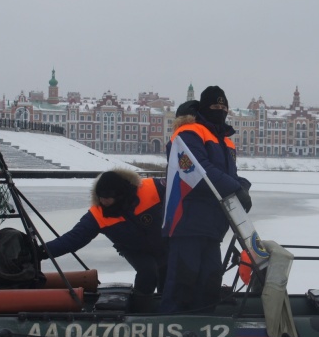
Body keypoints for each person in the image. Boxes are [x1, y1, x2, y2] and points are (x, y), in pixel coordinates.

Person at [160, 86, 252, 313]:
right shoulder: (189, 133)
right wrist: (234, 188)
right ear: (203, 108)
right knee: (183, 281)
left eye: (223, 107)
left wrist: (243, 186)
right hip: (187, 220)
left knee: (209, 281)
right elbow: (199, 171)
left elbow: (228, 174)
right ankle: (172, 327)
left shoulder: (225, 140)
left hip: (214, 224)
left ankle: (204, 327)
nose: (220, 111)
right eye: (214, 106)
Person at [42, 169, 167, 306]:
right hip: (134, 250)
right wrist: (42, 251)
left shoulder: (152, 189)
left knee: (171, 273)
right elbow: (73, 238)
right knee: (148, 271)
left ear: (120, 194)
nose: (103, 201)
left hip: (166, 243)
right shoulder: (98, 214)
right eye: (100, 197)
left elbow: (182, 191)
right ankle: (142, 308)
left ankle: (168, 306)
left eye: (107, 197)